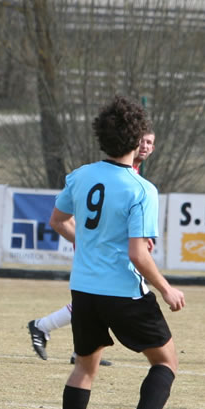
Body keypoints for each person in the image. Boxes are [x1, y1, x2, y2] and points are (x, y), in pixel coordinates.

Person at [49, 97, 185, 409]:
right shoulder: (141, 189)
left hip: (85, 290)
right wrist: (165, 288)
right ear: (136, 139)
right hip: (123, 292)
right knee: (167, 361)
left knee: (83, 369)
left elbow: (59, 220)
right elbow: (139, 255)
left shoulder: (80, 175)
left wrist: (90, 245)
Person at [27, 130, 156, 365]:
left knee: (96, 300)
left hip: (104, 247)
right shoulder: (116, 174)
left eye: (150, 142)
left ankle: (77, 348)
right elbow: (68, 217)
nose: (145, 146)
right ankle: (45, 328)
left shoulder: (133, 175)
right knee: (103, 297)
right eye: (142, 141)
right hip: (98, 247)